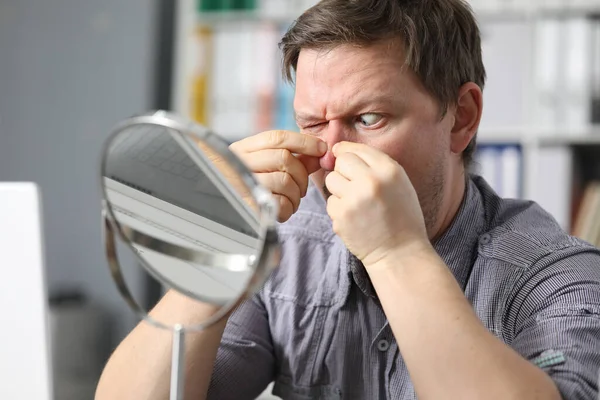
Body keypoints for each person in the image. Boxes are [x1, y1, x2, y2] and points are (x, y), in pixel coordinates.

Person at [96, 0, 600, 399]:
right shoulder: (287, 250)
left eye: (370, 119)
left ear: (462, 117)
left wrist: (396, 253)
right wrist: (216, 249)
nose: (331, 157)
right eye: (313, 123)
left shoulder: (552, 272)